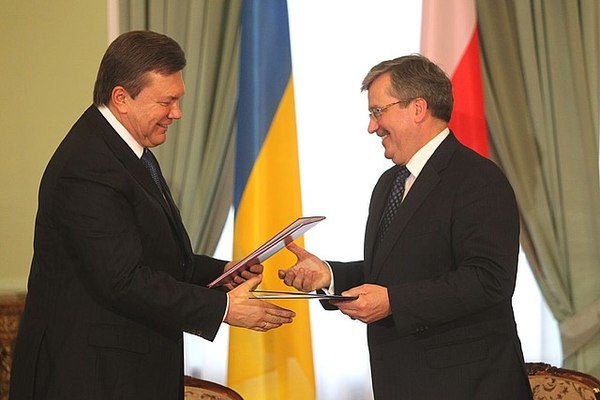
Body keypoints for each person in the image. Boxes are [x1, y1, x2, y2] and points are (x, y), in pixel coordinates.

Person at [10, 30, 295, 400]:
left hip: (127, 370)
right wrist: (223, 309)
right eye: (168, 101)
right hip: (92, 377)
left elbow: (158, 260)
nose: (177, 113)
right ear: (121, 98)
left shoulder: (126, 149)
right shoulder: (88, 166)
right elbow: (123, 281)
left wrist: (225, 272)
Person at [278, 54, 533, 399]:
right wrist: (329, 276)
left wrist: (394, 301)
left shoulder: (478, 179)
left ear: (417, 108)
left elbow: (489, 280)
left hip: (467, 386)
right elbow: (397, 273)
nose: (372, 126)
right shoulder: (389, 183)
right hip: (401, 382)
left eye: (378, 111)